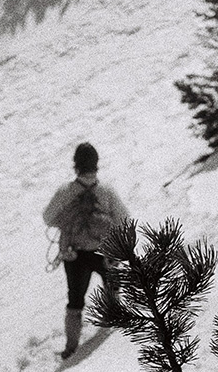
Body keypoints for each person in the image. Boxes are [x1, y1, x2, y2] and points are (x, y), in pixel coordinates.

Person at [43, 142, 130, 360]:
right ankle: (112, 324)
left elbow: (47, 217)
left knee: (75, 300)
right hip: (105, 252)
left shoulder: (66, 192)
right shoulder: (106, 190)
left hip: (75, 254)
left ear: (76, 165)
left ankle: (71, 347)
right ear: (96, 164)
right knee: (112, 287)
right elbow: (124, 219)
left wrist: (68, 223)